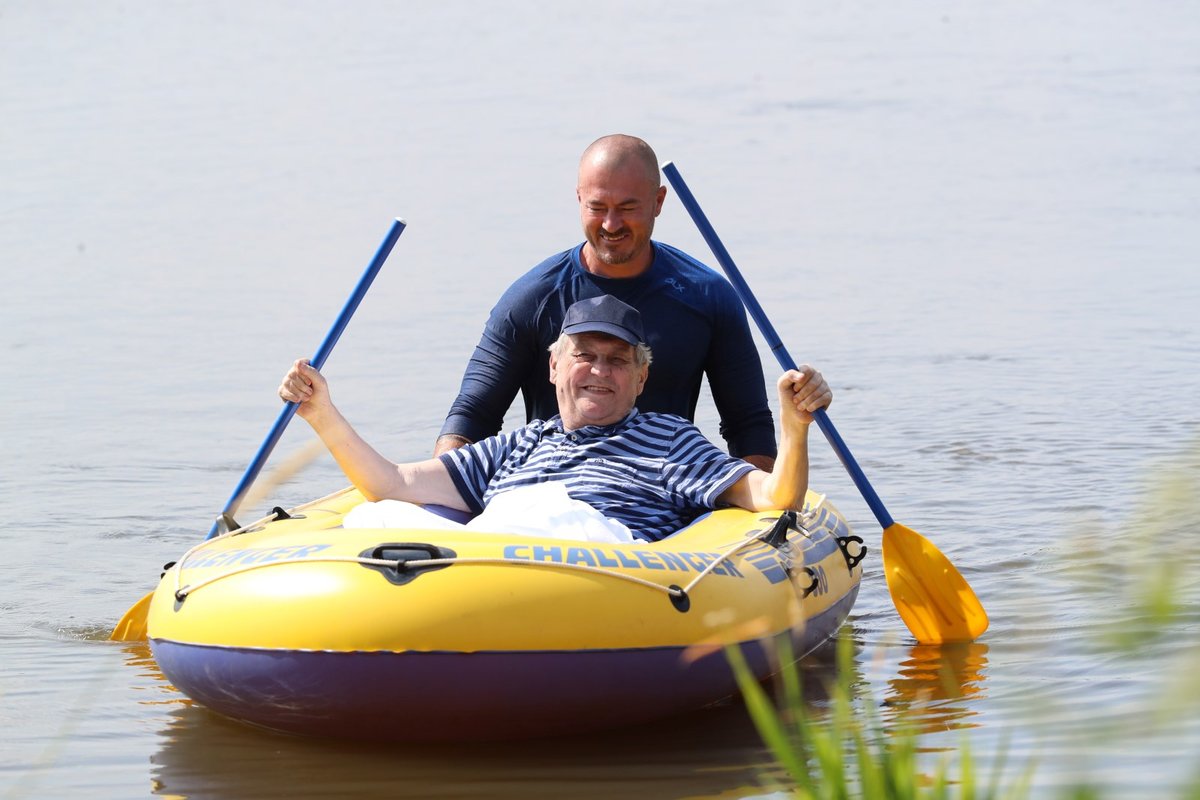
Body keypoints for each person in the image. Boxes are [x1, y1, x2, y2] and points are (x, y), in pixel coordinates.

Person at [279, 295, 832, 543]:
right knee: (376, 522)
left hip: (596, 569)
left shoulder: (668, 439)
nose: (600, 371)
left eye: (618, 361)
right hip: (492, 563)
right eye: (584, 356)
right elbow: (392, 484)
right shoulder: (517, 446)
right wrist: (322, 414)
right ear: (553, 367)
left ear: (641, 379)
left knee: (533, 515)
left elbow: (773, 497)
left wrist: (794, 426)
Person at [434, 134, 777, 471]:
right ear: (579, 199)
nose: (611, 225)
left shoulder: (708, 296)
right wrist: (435, 507)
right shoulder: (532, 298)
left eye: (627, 208)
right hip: (551, 488)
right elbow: (472, 417)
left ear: (658, 201)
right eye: (597, 208)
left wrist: (760, 509)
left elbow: (749, 426)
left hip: (668, 492)